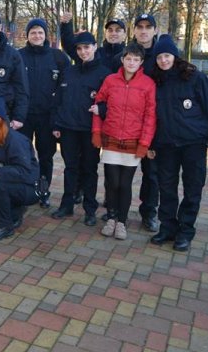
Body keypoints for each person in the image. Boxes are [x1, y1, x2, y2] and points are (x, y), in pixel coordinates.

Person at [148, 35, 208, 252]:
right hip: (166, 144)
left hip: (193, 143)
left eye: (167, 55)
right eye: (160, 56)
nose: (163, 60)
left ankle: (185, 231)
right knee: (167, 188)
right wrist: (151, 144)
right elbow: (151, 116)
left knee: (192, 188)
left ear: (175, 56)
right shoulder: (155, 82)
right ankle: (168, 227)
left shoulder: (194, 77)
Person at [90, 43, 156, 240]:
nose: (132, 62)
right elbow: (98, 106)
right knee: (112, 182)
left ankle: (122, 221)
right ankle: (111, 217)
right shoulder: (110, 81)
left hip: (132, 141)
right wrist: (96, 132)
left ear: (141, 62)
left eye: (136, 59)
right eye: (129, 59)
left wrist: (144, 143)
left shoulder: (148, 84)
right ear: (122, 60)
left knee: (124, 184)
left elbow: (150, 116)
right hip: (110, 139)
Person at [51, 32, 110, 225]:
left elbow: (112, 103)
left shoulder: (105, 74)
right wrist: (56, 124)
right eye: (79, 48)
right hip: (68, 128)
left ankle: (90, 209)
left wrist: (101, 109)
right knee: (70, 168)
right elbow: (58, 100)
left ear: (95, 47)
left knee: (89, 169)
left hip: (90, 130)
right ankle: (66, 205)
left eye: (87, 47)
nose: (83, 51)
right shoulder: (69, 71)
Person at [112, 13, 161, 231]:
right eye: (139, 26)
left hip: (155, 124)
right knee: (118, 176)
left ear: (154, 30)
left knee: (152, 174)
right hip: (126, 128)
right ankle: (114, 212)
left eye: (148, 26)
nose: (143, 30)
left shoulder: (163, 54)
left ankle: (148, 212)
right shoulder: (125, 55)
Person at [0, 98, 48, 241]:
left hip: (30, 187)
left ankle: (5, 227)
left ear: (1, 118)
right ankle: (16, 211)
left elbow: (25, 171)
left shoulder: (15, 140)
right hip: (12, 184)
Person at [18, 18, 69, 207]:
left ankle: (44, 190)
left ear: (46, 35)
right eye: (33, 32)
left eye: (40, 32)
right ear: (27, 35)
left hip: (47, 116)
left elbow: (65, 87)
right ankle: (25, 188)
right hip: (24, 116)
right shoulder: (18, 56)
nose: (37, 36)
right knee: (23, 154)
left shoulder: (58, 57)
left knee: (46, 155)